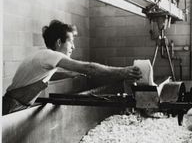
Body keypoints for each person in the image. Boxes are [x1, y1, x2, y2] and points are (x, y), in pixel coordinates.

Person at [3, 20, 142, 115]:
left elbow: (45, 76)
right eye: (71, 42)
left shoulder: (44, 58)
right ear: (59, 42)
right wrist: (124, 72)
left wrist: (70, 74)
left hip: (15, 104)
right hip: (12, 107)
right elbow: (90, 68)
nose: (73, 47)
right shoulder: (49, 55)